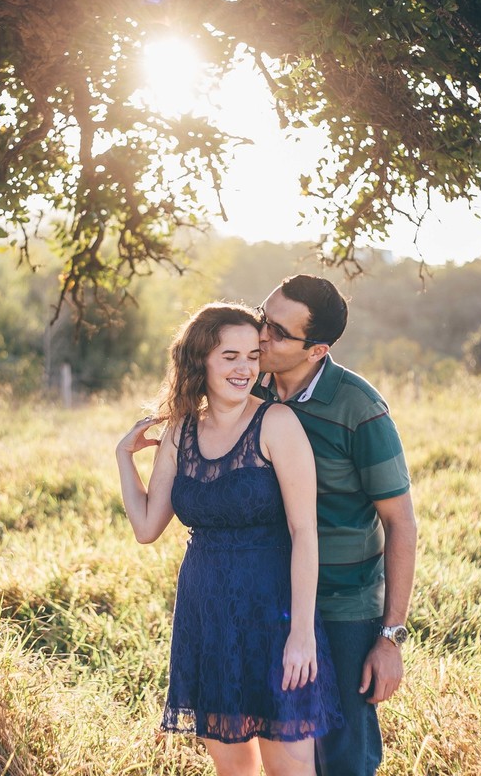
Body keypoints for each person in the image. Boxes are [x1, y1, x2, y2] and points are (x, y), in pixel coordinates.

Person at [116, 302, 343, 776]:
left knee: (289, 769)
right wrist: (124, 457)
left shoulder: (277, 423)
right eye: (230, 356)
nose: (245, 368)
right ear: (200, 359)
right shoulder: (180, 432)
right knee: (233, 767)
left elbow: (305, 533)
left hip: (275, 615)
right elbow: (146, 528)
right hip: (209, 617)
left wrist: (301, 634)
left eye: (253, 356)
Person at [252, 275, 417, 776]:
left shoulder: (359, 408)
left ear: (317, 350)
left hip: (342, 605)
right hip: (263, 598)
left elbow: (401, 523)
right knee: (280, 746)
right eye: (261, 317)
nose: (260, 335)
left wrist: (389, 639)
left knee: (342, 754)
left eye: (278, 332)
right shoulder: (246, 386)